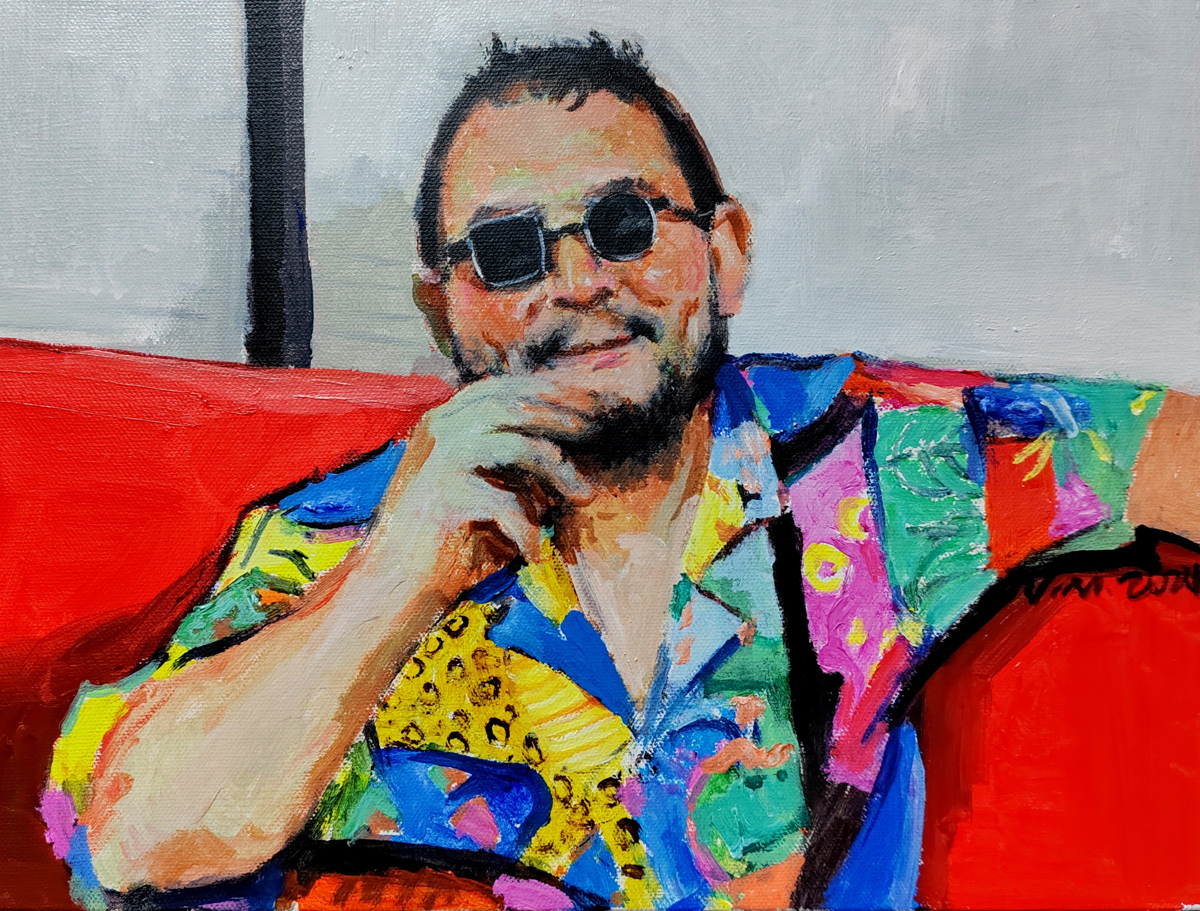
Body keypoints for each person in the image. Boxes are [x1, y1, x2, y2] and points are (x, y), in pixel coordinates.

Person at [42, 33, 1200, 911]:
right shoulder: (350, 535)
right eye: (507, 251)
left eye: (623, 223)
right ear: (442, 311)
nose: (577, 280)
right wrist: (393, 584)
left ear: (726, 252)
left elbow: (1168, 449)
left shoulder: (871, 470)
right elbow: (128, 835)